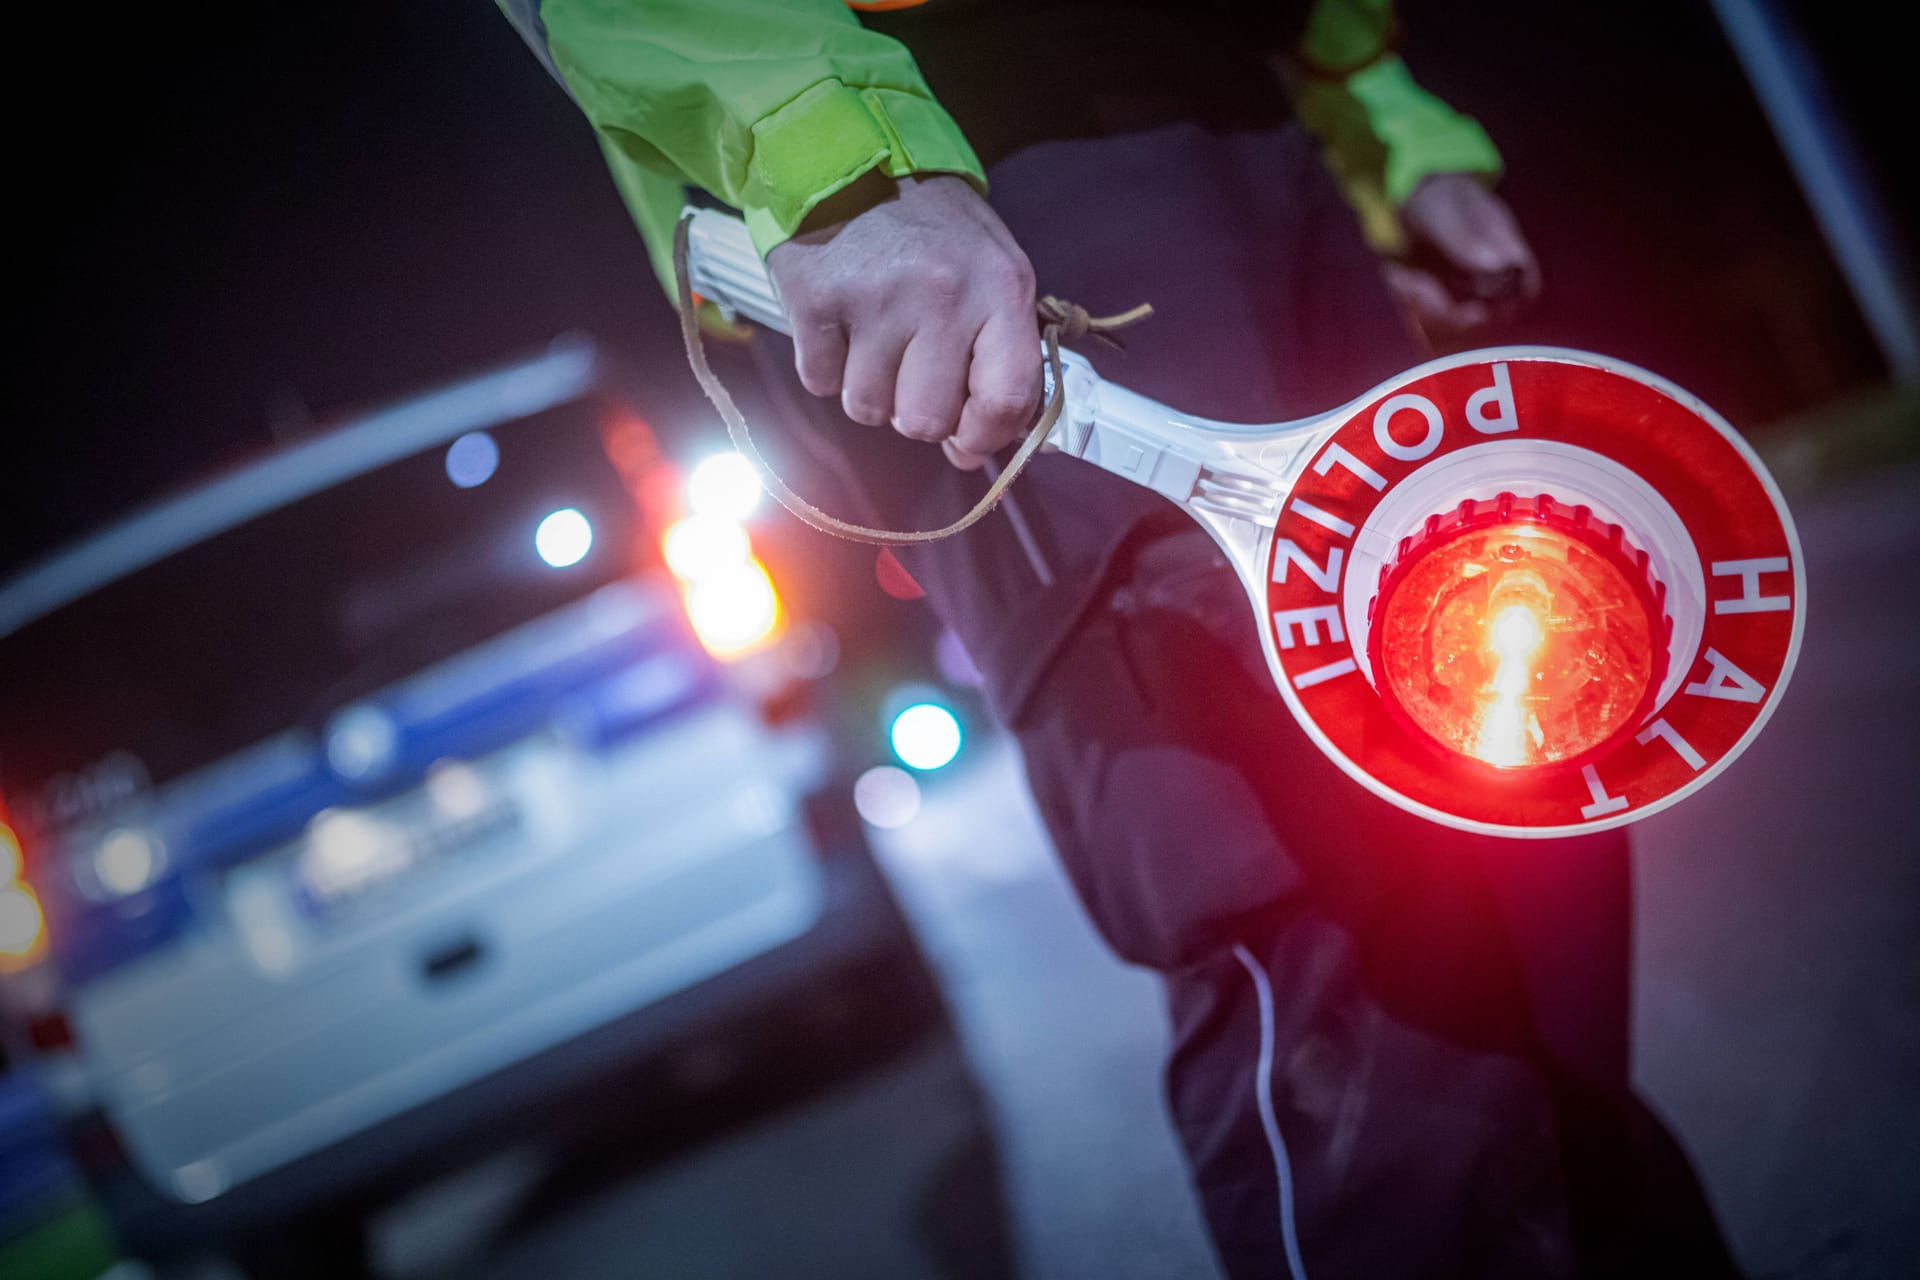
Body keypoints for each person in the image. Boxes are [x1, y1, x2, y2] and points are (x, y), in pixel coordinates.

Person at [500, 2, 1742, 1275]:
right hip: (952, 154)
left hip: (1241, 105)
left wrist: (1383, 145)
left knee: (1526, 805)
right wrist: (838, 163)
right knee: (1314, 915)